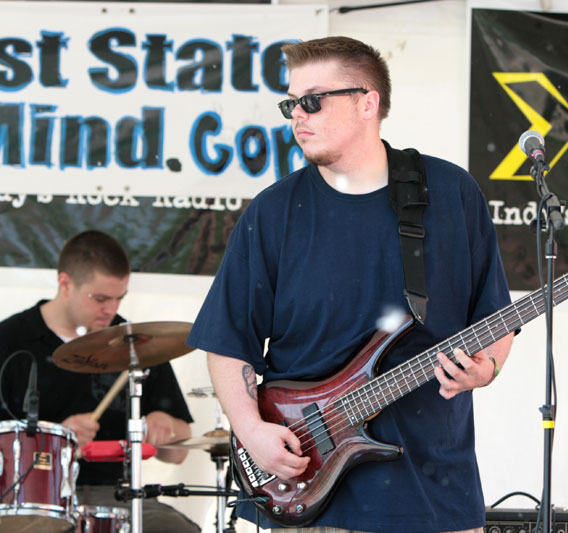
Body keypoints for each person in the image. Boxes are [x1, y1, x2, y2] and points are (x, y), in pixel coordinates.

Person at [187, 36, 514, 533]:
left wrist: (485, 368)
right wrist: (251, 430)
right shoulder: (273, 212)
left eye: (313, 100)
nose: (298, 115)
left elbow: (494, 318)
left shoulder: (450, 193)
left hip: (435, 490)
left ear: (368, 102)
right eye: (291, 103)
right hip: (313, 495)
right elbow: (228, 341)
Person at [0, 230, 200, 532]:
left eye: (120, 298)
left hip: (118, 494)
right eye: (101, 298)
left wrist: (165, 425)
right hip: (34, 495)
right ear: (65, 283)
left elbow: (179, 451)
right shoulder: (9, 341)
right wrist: (54, 440)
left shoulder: (134, 341)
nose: (112, 310)